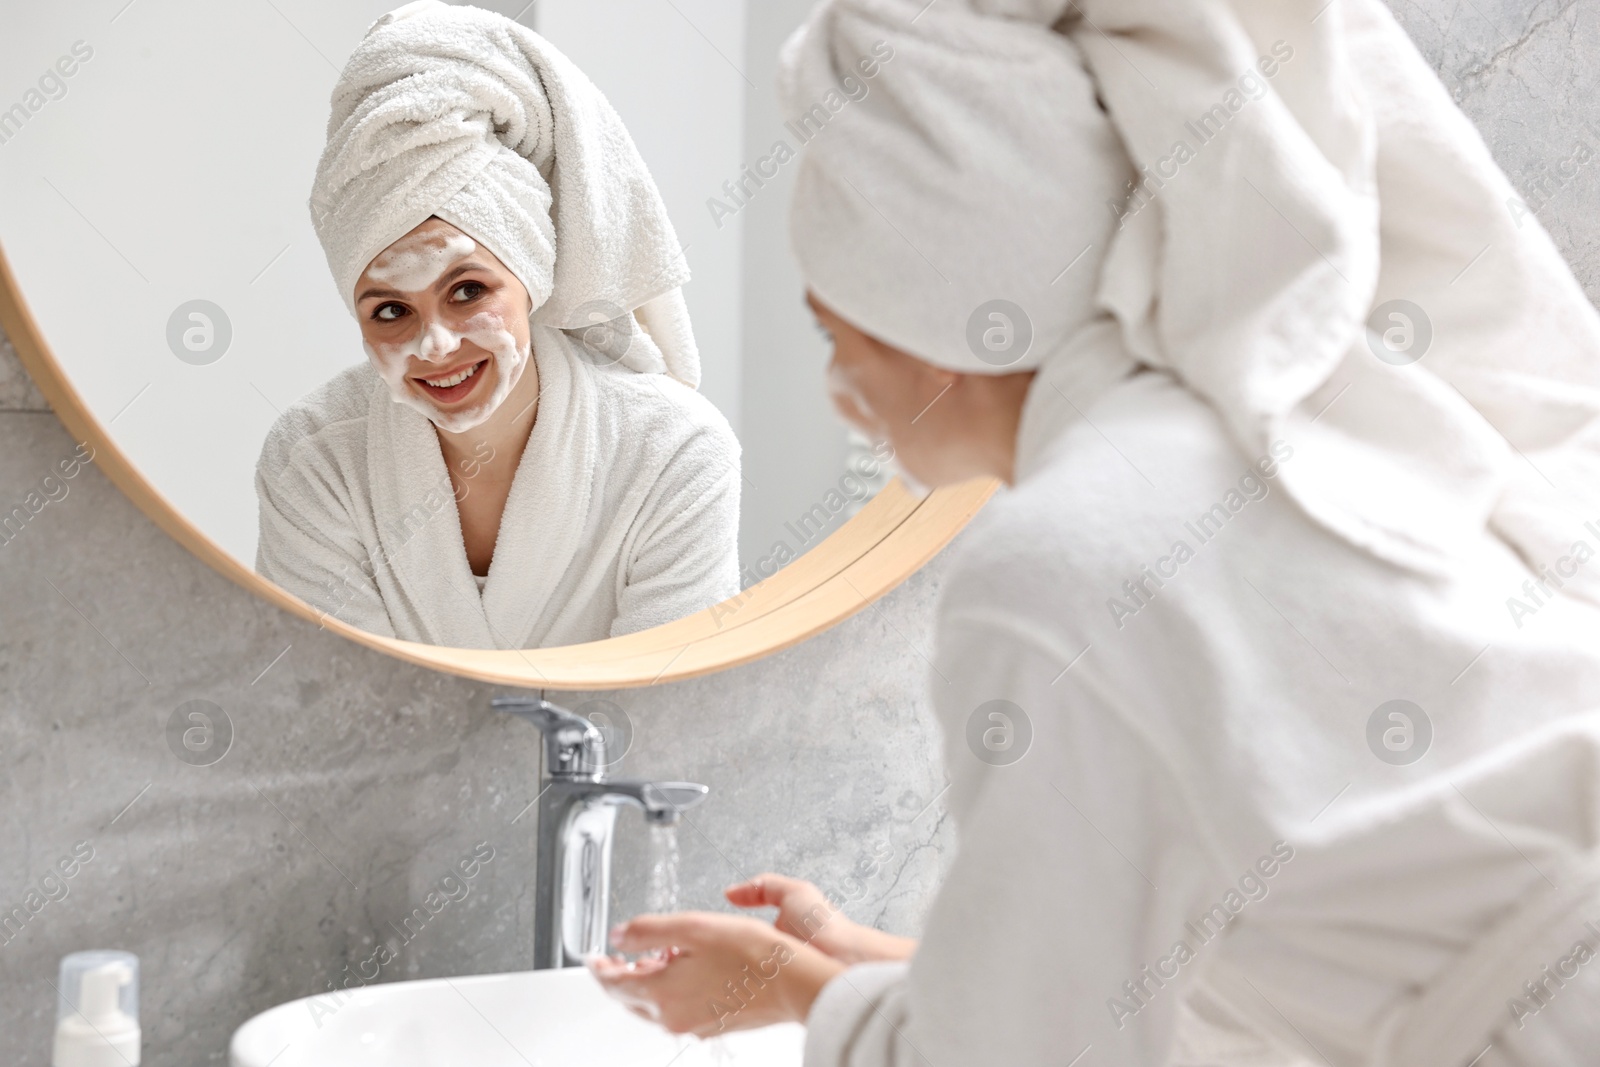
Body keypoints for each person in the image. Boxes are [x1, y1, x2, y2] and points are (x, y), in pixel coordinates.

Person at [591, 0, 1600, 1063]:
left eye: (837, 331)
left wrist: (799, 988)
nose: (841, 392)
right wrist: (867, 958)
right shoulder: (1252, 454)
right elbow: (1220, 964)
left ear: (934, 314)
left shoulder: (1060, 558)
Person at [255, 1, 740, 648]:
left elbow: (667, 719)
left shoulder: (673, 454)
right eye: (391, 310)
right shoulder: (316, 460)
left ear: (532, 277)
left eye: (467, 290)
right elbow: (337, 718)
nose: (435, 344)